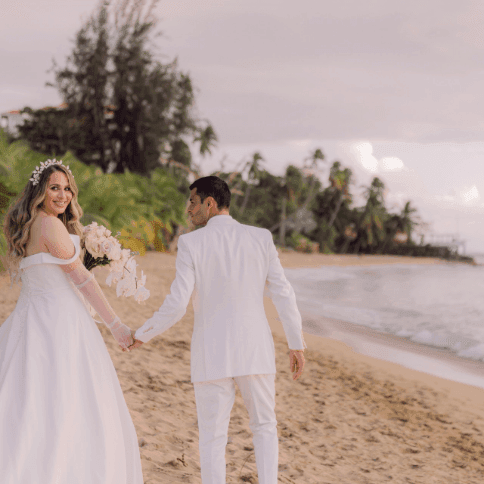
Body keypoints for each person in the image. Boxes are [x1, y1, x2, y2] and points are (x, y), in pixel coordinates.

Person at [129, 175, 306, 484]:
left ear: (210, 204)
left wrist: (142, 334)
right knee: (264, 426)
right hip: (254, 348)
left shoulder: (190, 243)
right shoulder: (261, 237)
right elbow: (283, 293)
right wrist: (296, 343)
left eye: (193, 203)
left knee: (212, 436)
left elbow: (177, 304)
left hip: (211, 352)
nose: (188, 210)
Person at [0, 159, 143, 484]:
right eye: (54, 187)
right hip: (60, 325)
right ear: (40, 190)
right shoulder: (50, 225)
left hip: (32, 318)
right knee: (66, 401)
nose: (63, 194)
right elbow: (82, 280)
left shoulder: (32, 224)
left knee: (30, 400)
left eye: (67, 188)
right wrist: (117, 326)